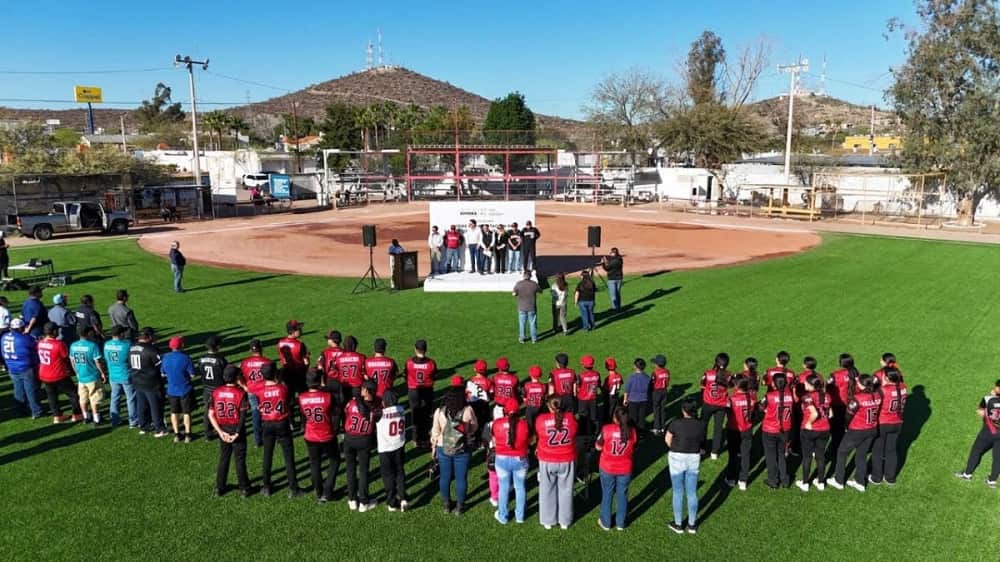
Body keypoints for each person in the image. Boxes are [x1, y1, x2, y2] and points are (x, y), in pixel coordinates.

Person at [257, 362, 302, 498]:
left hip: (267, 423)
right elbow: (290, 402)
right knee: (288, 457)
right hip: (282, 422)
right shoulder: (283, 388)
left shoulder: (259, 390)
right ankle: (293, 488)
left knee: (267, 455)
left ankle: (266, 486)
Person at [431, 386, 478, 515]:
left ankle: (446, 505)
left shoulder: (439, 411)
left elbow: (435, 432)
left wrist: (434, 447)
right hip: (462, 449)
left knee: (444, 477)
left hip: (442, 447)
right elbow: (474, 427)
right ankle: (460, 506)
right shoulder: (468, 410)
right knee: (461, 478)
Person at [830, 374, 882, 492]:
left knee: (842, 452)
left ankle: (838, 480)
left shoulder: (858, 398)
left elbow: (849, 414)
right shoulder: (878, 395)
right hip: (872, 429)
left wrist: (846, 426)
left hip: (857, 430)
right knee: (861, 455)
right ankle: (860, 482)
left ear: (862, 385)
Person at [535, 395, 578, 530]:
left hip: (547, 459)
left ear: (549, 406)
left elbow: (540, 434)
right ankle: (564, 520)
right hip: (567, 459)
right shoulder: (571, 418)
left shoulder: (541, 420)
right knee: (566, 490)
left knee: (546, 490)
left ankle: (548, 520)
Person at [208, 366, 252, 497]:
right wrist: (237, 432)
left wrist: (220, 432)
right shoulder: (240, 393)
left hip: (223, 428)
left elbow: (210, 414)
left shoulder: (216, 392)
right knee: (239, 460)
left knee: (224, 458)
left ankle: (219, 488)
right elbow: (243, 416)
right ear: (237, 378)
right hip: (236, 429)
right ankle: (244, 488)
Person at [299, 369, 340, 503]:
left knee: (315, 463)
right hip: (327, 434)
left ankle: (319, 491)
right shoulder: (328, 396)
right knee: (334, 460)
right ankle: (327, 491)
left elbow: (303, 416)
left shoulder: (302, 398)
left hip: (311, 435)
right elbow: (336, 412)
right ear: (320, 381)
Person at [666, 398, 706, 534]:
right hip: (693, 458)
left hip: (677, 457)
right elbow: (702, 441)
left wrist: (676, 449)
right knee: (692, 492)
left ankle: (678, 524)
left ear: (683, 410)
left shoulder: (676, 423)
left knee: (678, 492)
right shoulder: (701, 424)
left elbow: (667, 439)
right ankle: (692, 524)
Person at [595, 406, 637, 531]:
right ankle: (620, 522)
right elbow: (633, 446)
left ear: (614, 417)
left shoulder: (607, 429)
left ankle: (606, 522)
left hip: (608, 467)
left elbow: (598, 446)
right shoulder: (632, 431)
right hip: (625, 468)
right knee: (622, 494)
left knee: (607, 494)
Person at [955, 379, 1000, 488]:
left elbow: (980, 412)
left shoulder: (988, 398)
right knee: (998, 457)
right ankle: (992, 481)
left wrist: (991, 396)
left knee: (976, 450)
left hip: (987, 432)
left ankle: (967, 474)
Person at [343, 380, 380, 511]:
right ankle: (364, 502)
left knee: (350, 469)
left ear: (365, 390)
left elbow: (346, 412)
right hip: (365, 440)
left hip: (349, 439)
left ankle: (352, 499)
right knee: (363, 471)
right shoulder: (377, 406)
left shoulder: (353, 403)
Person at [492, 399, 530, 524]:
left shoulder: (497, 423)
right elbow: (530, 440)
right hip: (520, 459)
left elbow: (494, 439)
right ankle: (520, 516)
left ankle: (503, 516)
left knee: (504, 488)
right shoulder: (524, 424)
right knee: (520, 487)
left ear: (505, 411)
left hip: (502, 459)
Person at [37, 321, 83, 423]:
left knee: (52, 396)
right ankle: (77, 414)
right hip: (58, 374)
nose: (58, 331)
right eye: (57, 330)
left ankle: (57, 416)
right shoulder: (59, 344)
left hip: (44, 374)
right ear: (53, 332)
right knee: (73, 394)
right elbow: (66, 358)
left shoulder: (40, 343)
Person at [871, 367, 907, 485]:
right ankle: (890, 477)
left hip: (883, 422)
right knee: (891, 450)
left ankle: (876, 477)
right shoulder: (903, 387)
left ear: (886, 378)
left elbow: (875, 403)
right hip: (897, 423)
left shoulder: (883, 390)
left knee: (878, 450)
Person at [128, 327, 167, 437]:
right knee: (155, 406)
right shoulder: (151, 349)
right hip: (151, 382)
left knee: (142, 405)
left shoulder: (131, 348)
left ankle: (144, 426)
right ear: (149, 337)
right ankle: (160, 429)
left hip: (137, 380)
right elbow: (160, 365)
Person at [2, 318, 43, 418]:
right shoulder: (24, 338)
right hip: (25, 367)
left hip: (12, 366)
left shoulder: (4, 337)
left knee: (18, 390)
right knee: (30, 390)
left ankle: (20, 411)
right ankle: (36, 411)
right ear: (20, 328)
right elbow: (35, 346)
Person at [798, 372, 832, 491]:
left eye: (806, 382)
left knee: (807, 457)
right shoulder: (826, 395)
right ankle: (821, 482)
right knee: (820, 457)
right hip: (825, 429)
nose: (804, 384)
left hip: (810, 430)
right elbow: (830, 414)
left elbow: (815, 413)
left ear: (811, 385)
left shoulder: (807, 397)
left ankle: (805, 483)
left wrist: (809, 423)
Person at [760, 373, 793, 489]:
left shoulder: (769, 396)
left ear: (773, 383)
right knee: (781, 455)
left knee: (770, 456)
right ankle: (785, 480)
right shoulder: (790, 395)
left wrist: (767, 412)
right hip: (785, 429)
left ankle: (773, 480)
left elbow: (761, 407)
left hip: (770, 429)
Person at [69, 326, 108, 424]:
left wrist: (77, 373)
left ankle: (86, 417)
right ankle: (97, 419)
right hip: (92, 376)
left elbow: (72, 361)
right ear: (88, 333)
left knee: (82, 398)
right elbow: (97, 362)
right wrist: (103, 373)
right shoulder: (92, 346)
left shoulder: (73, 345)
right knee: (94, 397)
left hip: (81, 377)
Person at [376, 389, 408, 511]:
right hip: (399, 445)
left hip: (385, 448)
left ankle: (392, 502)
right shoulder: (401, 409)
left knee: (388, 476)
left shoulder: (380, 413)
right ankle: (403, 497)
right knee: (400, 471)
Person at [162, 336, 197, 442]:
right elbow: (192, 375)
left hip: (172, 390)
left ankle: (177, 434)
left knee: (174, 412)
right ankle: (188, 435)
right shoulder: (186, 358)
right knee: (187, 412)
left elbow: (162, 373)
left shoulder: (165, 357)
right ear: (181, 345)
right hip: (185, 389)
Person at [725, 374, 756, 491]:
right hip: (747, 429)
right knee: (746, 454)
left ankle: (731, 478)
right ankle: (743, 480)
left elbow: (727, 413)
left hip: (734, 429)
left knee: (733, 455)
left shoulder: (732, 399)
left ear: (737, 386)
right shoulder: (752, 398)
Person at [239, 339, 271, 447]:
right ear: (261, 348)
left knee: (255, 413)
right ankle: (269, 436)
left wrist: (244, 386)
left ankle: (257, 440)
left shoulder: (244, 362)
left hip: (251, 390)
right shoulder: (267, 361)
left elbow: (238, 376)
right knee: (268, 413)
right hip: (264, 391)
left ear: (250, 350)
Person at [405, 339, 436, 448]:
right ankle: (425, 438)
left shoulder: (409, 362)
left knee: (415, 414)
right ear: (426, 349)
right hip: (427, 391)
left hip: (413, 391)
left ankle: (415, 439)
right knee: (426, 415)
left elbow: (406, 376)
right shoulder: (431, 363)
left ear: (415, 349)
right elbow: (434, 376)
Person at [104, 326, 136, 428]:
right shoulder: (127, 345)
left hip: (113, 375)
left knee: (115, 397)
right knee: (130, 398)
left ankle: (115, 419)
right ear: (121, 333)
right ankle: (133, 421)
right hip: (125, 374)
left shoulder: (107, 344)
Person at [700, 353, 731, 459]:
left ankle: (702, 448)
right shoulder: (728, 375)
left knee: (703, 425)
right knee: (718, 428)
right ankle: (714, 452)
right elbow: (731, 386)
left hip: (708, 403)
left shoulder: (708, 373)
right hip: (721, 405)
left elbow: (702, 385)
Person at [198, 335, 228, 440]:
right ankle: (222, 429)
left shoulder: (201, 359)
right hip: (218, 389)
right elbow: (226, 374)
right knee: (221, 410)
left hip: (207, 388)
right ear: (218, 346)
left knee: (207, 411)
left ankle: (207, 433)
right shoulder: (220, 359)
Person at [277, 319, 310, 405]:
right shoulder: (300, 345)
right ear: (292, 331)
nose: (301, 331)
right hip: (299, 374)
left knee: (289, 398)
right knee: (304, 397)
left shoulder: (280, 343)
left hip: (286, 373)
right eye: (298, 329)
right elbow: (306, 362)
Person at [467, 360, 493, 446]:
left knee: (474, 423)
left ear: (475, 369)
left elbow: (467, 394)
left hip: (473, 405)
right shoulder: (488, 381)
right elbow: (491, 395)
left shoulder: (470, 381)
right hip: (484, 405)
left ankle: (475, 441)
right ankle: (483, 441)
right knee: (484, 423)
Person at [512, 270, 541, 344]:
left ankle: (522, 338)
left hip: (522, 307)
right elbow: (540, 291)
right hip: (532, 307)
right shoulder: (534, 284)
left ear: (523, 276)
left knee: (522, 324)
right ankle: (534, 339)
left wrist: (517, 294)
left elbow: (514, 294)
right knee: (532, 323)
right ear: (530, 276)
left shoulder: (519, 284)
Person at [622, 358, 650, 432]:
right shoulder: (647, 377)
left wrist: (625, 399)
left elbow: (627, 390)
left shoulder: (631, 378)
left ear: (635, 366)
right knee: (641, 417)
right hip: (644, 400)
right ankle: (641, 432)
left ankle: (633, 432)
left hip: (633, 401)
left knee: (633, 418)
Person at [577, 355, 601, 435]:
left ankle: (584, 433)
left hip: (583, 399)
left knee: (583, 418)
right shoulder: (597, 374)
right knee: (594, 417)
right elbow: (599, 384)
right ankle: (596, 432)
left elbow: (578, 387)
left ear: (584, 365)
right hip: (593, 398)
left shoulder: (581, 375)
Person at [336, 335, 366, 399]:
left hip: (344, 388)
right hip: (357, 388)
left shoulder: (338, 358)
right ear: (354, 346)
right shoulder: (361, 357)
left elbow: (335, 373)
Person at [650, 354, 671, 435]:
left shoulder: (655, 372)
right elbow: (668, 381)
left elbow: (652, 383)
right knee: (662, 409)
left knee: (656, 410)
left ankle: (656, 428)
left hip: (657, 392)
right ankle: (663, 427)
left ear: (657, 364)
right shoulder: (667, 371)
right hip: (664, 391)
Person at [523, 365, 547, 431]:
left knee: (529, 425)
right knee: (539, 424)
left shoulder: (527, 385)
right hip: (540, 407)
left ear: (530, 374)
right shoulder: (543, 386)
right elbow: (544, 397)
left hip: (530, 408)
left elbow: (524, 399)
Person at [600, 248, 624, 312]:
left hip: (612, 279)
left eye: (611, 252)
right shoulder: (620, 259)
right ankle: (618, 307)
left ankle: (614, 308)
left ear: (614, 253)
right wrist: (606, 261)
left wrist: (603, 263)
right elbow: (611, 264)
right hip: (619, 278)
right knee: (617, 293)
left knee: (613, 294)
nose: (610, 253)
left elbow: (607, 268)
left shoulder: (613, 261)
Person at [603, 358, 623, 422]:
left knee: (609, 412)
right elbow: (621, 382)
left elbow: (605, 389)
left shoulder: (608, 378)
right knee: (616, 411)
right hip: (617, 396)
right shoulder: (619, 375)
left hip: (609, 398)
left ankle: (609, 424)